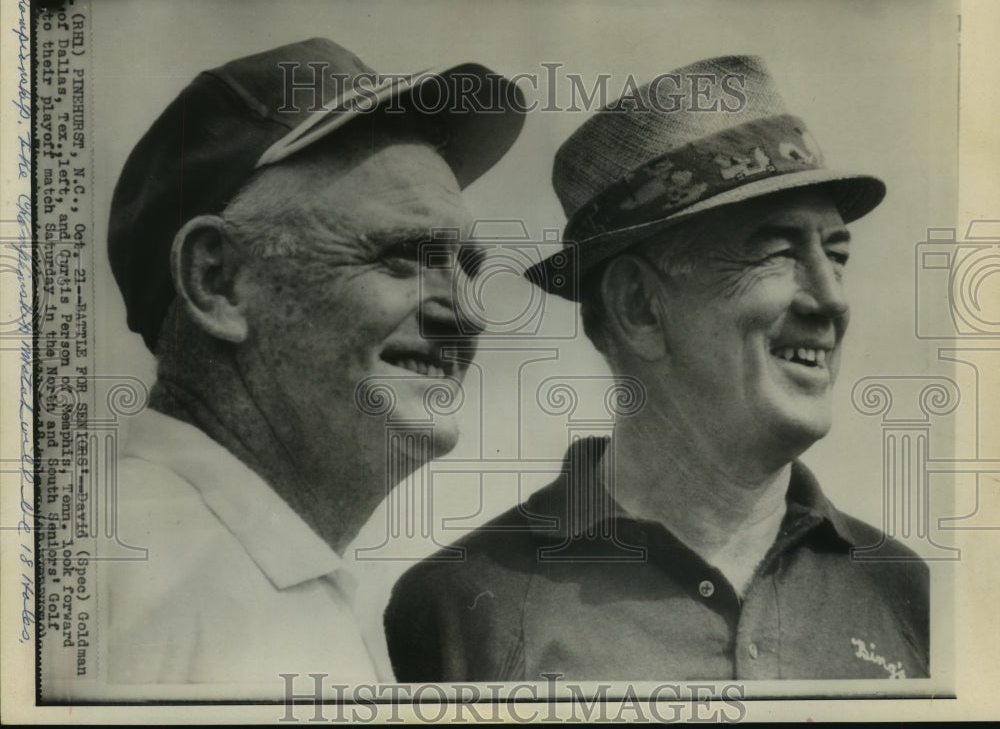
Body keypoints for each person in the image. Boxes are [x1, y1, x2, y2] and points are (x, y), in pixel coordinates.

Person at [384, 54, 929, 681]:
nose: (832, 298)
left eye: (836, 257)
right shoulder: (461, 608)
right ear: (639, 307)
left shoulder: (901, 587)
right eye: (778, 253)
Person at [100, 38, 524, 689]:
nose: (467, 316)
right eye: (403, 255)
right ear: (218, 282)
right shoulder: (123, 577)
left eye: (467, 268)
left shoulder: (270, 573)